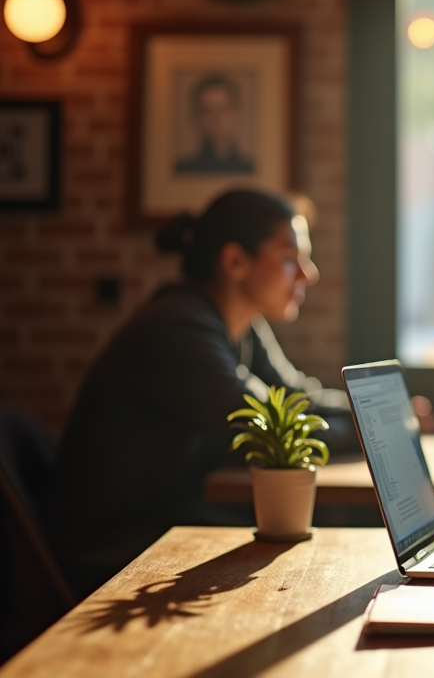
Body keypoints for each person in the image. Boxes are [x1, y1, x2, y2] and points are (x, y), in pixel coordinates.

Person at [47, 189, 358, 595]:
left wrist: (374, 414)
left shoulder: (241, 325)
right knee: (306, 559)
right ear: (234, 262)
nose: (308, 273)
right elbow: (273, 437)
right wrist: (368, 431)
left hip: (175, 513)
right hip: (120, 544)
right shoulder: (179, 329)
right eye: (289, 259)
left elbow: (298, 397)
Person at [175, 75, 254, 174]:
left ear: (236, 113)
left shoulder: (249, 168)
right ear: (197, 116)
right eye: (208, 110)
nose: (217, 118)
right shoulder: (183, 169)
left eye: (224, 109)